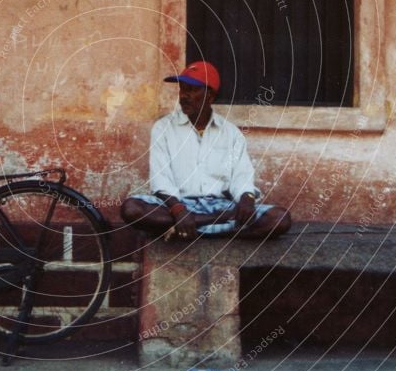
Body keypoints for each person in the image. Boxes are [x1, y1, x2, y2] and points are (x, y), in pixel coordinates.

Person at [121, 61, 291, 241]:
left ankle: (191, 227)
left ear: (210, 96)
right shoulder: (163, 128)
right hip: (176, 204)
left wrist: (246, 200)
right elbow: (161, 178)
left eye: (192, 90)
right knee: (131, 209)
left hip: (220, 206)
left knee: (280, 218)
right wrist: (179, 211)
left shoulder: (230, 132)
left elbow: (242, 175)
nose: (184, 96)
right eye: (182, 89)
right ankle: (219, 228)